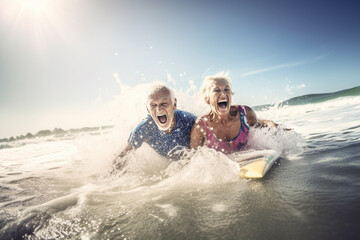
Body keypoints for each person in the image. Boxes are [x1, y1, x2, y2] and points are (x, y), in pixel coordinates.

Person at [113, 84, 197, 169]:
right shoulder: (144, 128)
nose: (159, 109)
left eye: (164, 103)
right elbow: (122, 157)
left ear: (174, 104)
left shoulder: (190, 121)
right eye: (153, 105)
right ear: (147, 109)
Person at [190, 73, 277, 154]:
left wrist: (274, 128)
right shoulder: (201, 125)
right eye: (217, 90)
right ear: (207, 99)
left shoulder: (246, 114)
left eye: (226, 89)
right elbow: (194, 157)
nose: (223, 93)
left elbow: (265, 133)